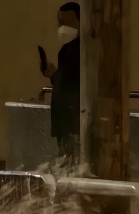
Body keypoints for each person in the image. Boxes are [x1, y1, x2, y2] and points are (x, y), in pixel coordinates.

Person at [42, 2, 81, 167]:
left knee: (73, 162)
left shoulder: (83, 50)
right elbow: (66, 81)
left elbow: (75, 80)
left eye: (66, 23)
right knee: (64, 161)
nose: (61, 28)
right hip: (64, 120)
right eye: (60, 22)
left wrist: (55, 75)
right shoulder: (66, 50)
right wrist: (53, 75)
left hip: (73, 121)